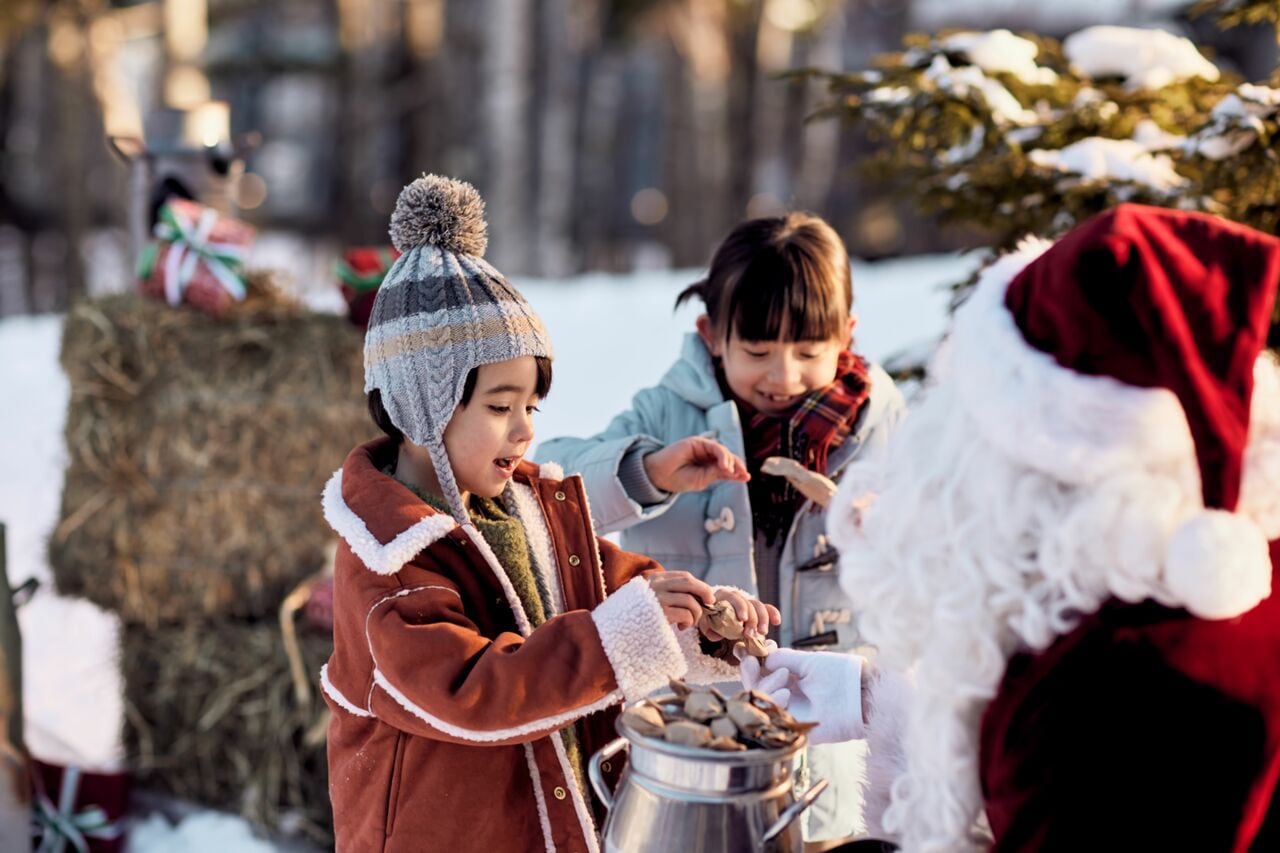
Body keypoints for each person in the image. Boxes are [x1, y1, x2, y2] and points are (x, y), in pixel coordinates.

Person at [756, 203, 1280, 851]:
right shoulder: (1143, 583)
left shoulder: (1115, 693)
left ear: (1030, 460)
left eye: (964, 421)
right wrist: (868, 700)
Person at [320, 175, 774, 852]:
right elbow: (472, 691)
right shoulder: (386, 564)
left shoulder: (525, 506)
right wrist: (619, 635)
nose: (525, 430)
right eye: (501, 407)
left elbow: (608, 587)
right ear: (422, 406)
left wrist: (692, 618)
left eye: (532, 406)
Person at [537, 212, 905, 840]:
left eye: (809, 352)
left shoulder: (880, 425)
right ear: (713, 335)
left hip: (827, 745)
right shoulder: (668, 410)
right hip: (697, 733)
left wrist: (895, 527)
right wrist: (648, 470)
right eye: (758, 352)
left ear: (846, 335)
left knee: (816, 839)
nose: (783, 377)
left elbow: (936, 553)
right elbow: (552, 487)